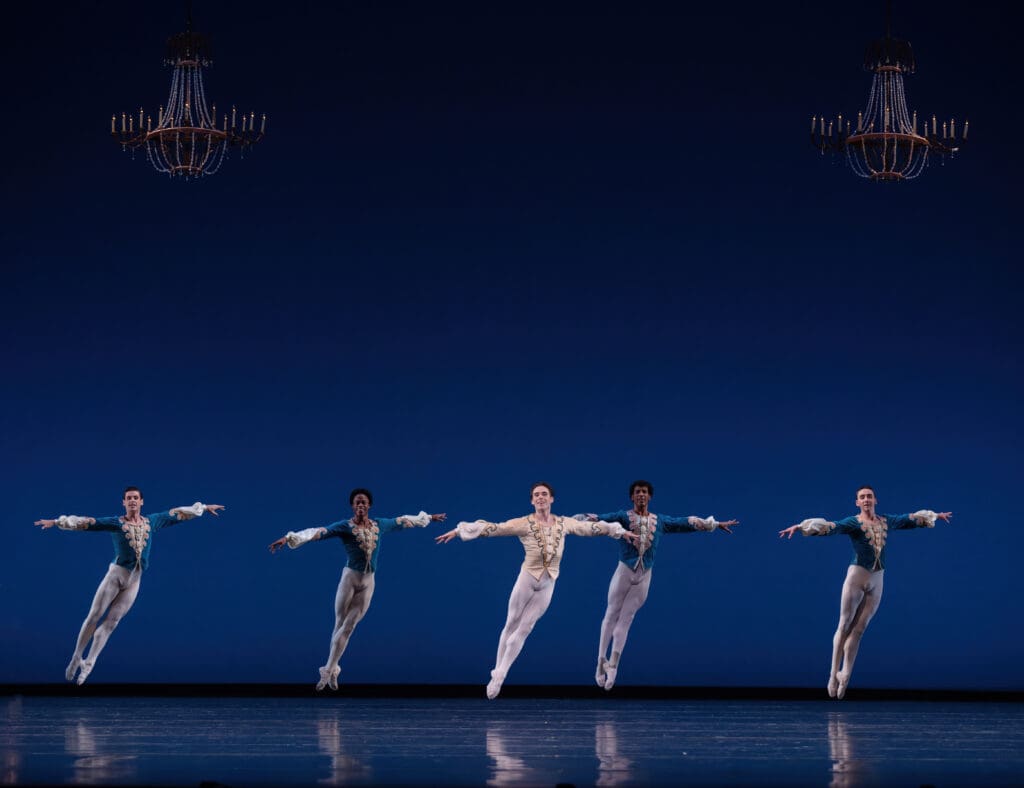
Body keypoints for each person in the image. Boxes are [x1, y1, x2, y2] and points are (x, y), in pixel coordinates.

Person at [435, 482, 638, 699]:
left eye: (544, 494)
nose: (540, 497)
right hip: (527, 578)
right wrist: (459, 531)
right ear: (532, 501)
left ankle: (501, 673)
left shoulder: (564, 523)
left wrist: (619, 531)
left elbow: (590, 528)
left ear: (551, 499)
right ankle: (498, 672)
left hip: (548, 582)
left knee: (525, 628)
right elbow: (495, 528)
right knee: (511, 623)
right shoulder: (524, 523)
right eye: (536, 495)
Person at [34, 486, 224, 684]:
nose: (132, 501)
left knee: (112, 622)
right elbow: (87, 522)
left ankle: (89, 663)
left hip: (135, 580)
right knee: (94, 616)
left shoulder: (152, 521)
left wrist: (203, 507)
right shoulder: (116, 523)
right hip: (116, 576)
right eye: (128, 498)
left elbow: (177, 513)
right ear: (123, 503)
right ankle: (76, 657)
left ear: (141, 501)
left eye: (135, 498)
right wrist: (57, 522)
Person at [778, 485, 952, 699]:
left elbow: (910, 519)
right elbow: (831, 527)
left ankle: (846, 674)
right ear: (857, 502)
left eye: (869, 496)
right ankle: (833, 674)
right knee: (844, 624)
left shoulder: (886, 521)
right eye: (862, 497)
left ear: (875, 500)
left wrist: (934, 516)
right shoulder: (853, 523)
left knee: (858, 630)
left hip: (878, 578)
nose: (866, 499)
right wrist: (801, 527)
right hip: (857, 576)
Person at [269, 488, 445, 691]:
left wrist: (429, 518)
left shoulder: (380, 524)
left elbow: (403, 521)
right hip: (349, 578)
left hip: (368, 581)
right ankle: (333, 668)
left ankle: (328, 669)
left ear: (369, 505)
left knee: (349, 627)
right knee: (339, 624)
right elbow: (319, 532)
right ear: (352, 506)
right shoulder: (345, 526)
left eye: (364, 502)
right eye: (357, 502)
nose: (360, 505)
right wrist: (289, 538)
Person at [579, 479, 738, 690]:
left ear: (650, 496)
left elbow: (686, 522)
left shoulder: (660, 521)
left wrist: (715, 524)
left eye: (644, 492)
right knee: (611, 613)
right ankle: (600, 661)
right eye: (637, 492)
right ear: (632, 496)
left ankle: (614, 664)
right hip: (625, 570)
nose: (641, 495)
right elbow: (600, 520)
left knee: (626, 619)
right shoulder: (622, 516)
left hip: (645, 574)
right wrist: (579, 520)